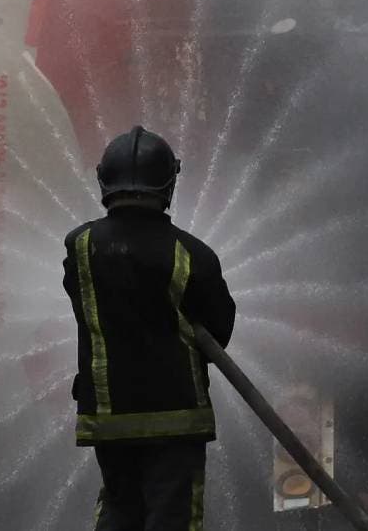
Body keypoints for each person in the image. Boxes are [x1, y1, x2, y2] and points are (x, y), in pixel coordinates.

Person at [63, 125, 237, 531]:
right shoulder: (193, 254)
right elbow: (219, 329)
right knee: (172, 518)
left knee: (120, 511)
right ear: (168, 183)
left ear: (105, 179)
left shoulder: (79, 247)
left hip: (108, 417)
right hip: (177, 418)